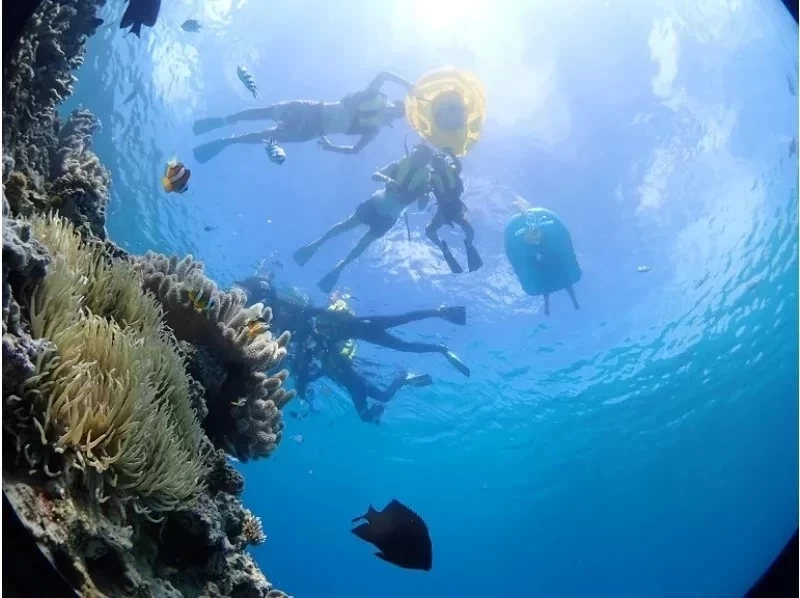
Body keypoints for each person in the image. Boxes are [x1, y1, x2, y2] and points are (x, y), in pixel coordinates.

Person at [293, 143, 434, 293]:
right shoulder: (398, 165)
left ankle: (339, 268)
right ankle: (315, 245)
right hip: (376, 203)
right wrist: (388, 179)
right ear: (412, 153)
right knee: (346, 226)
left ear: (425, 160)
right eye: (415, 153)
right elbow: (375, 175)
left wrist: (424, 197)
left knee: (363, 243)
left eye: (421, 156)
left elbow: (421, 206)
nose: (416, 157)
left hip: (390, 216)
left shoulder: (425, 180)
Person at [192, 71, 413, 163]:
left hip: (311, 131)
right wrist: (407, 85)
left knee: (267, 136)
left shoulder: (373, 129)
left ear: (394, 119)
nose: (393, 110)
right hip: (313, 110)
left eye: (397, 113)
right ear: (391, 102)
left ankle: (229, 141)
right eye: (395, 105)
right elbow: (383, 75)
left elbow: (356, 150)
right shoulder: (372, 96)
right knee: (268, 112)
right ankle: (227, 120)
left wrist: (331, 148)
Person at [425, 149, 482, 273]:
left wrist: (451, 152)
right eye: (435, 164)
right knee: (429, 231)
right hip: (442, 210)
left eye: (439, 163)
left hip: (455, 207)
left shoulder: (452, 170)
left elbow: (458, 164)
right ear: (432, 165)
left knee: (468, 228)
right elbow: (426, 187)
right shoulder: (431, 177)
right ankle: (443, 248)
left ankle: (468, 243)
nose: (437, 166)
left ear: (444, 162)